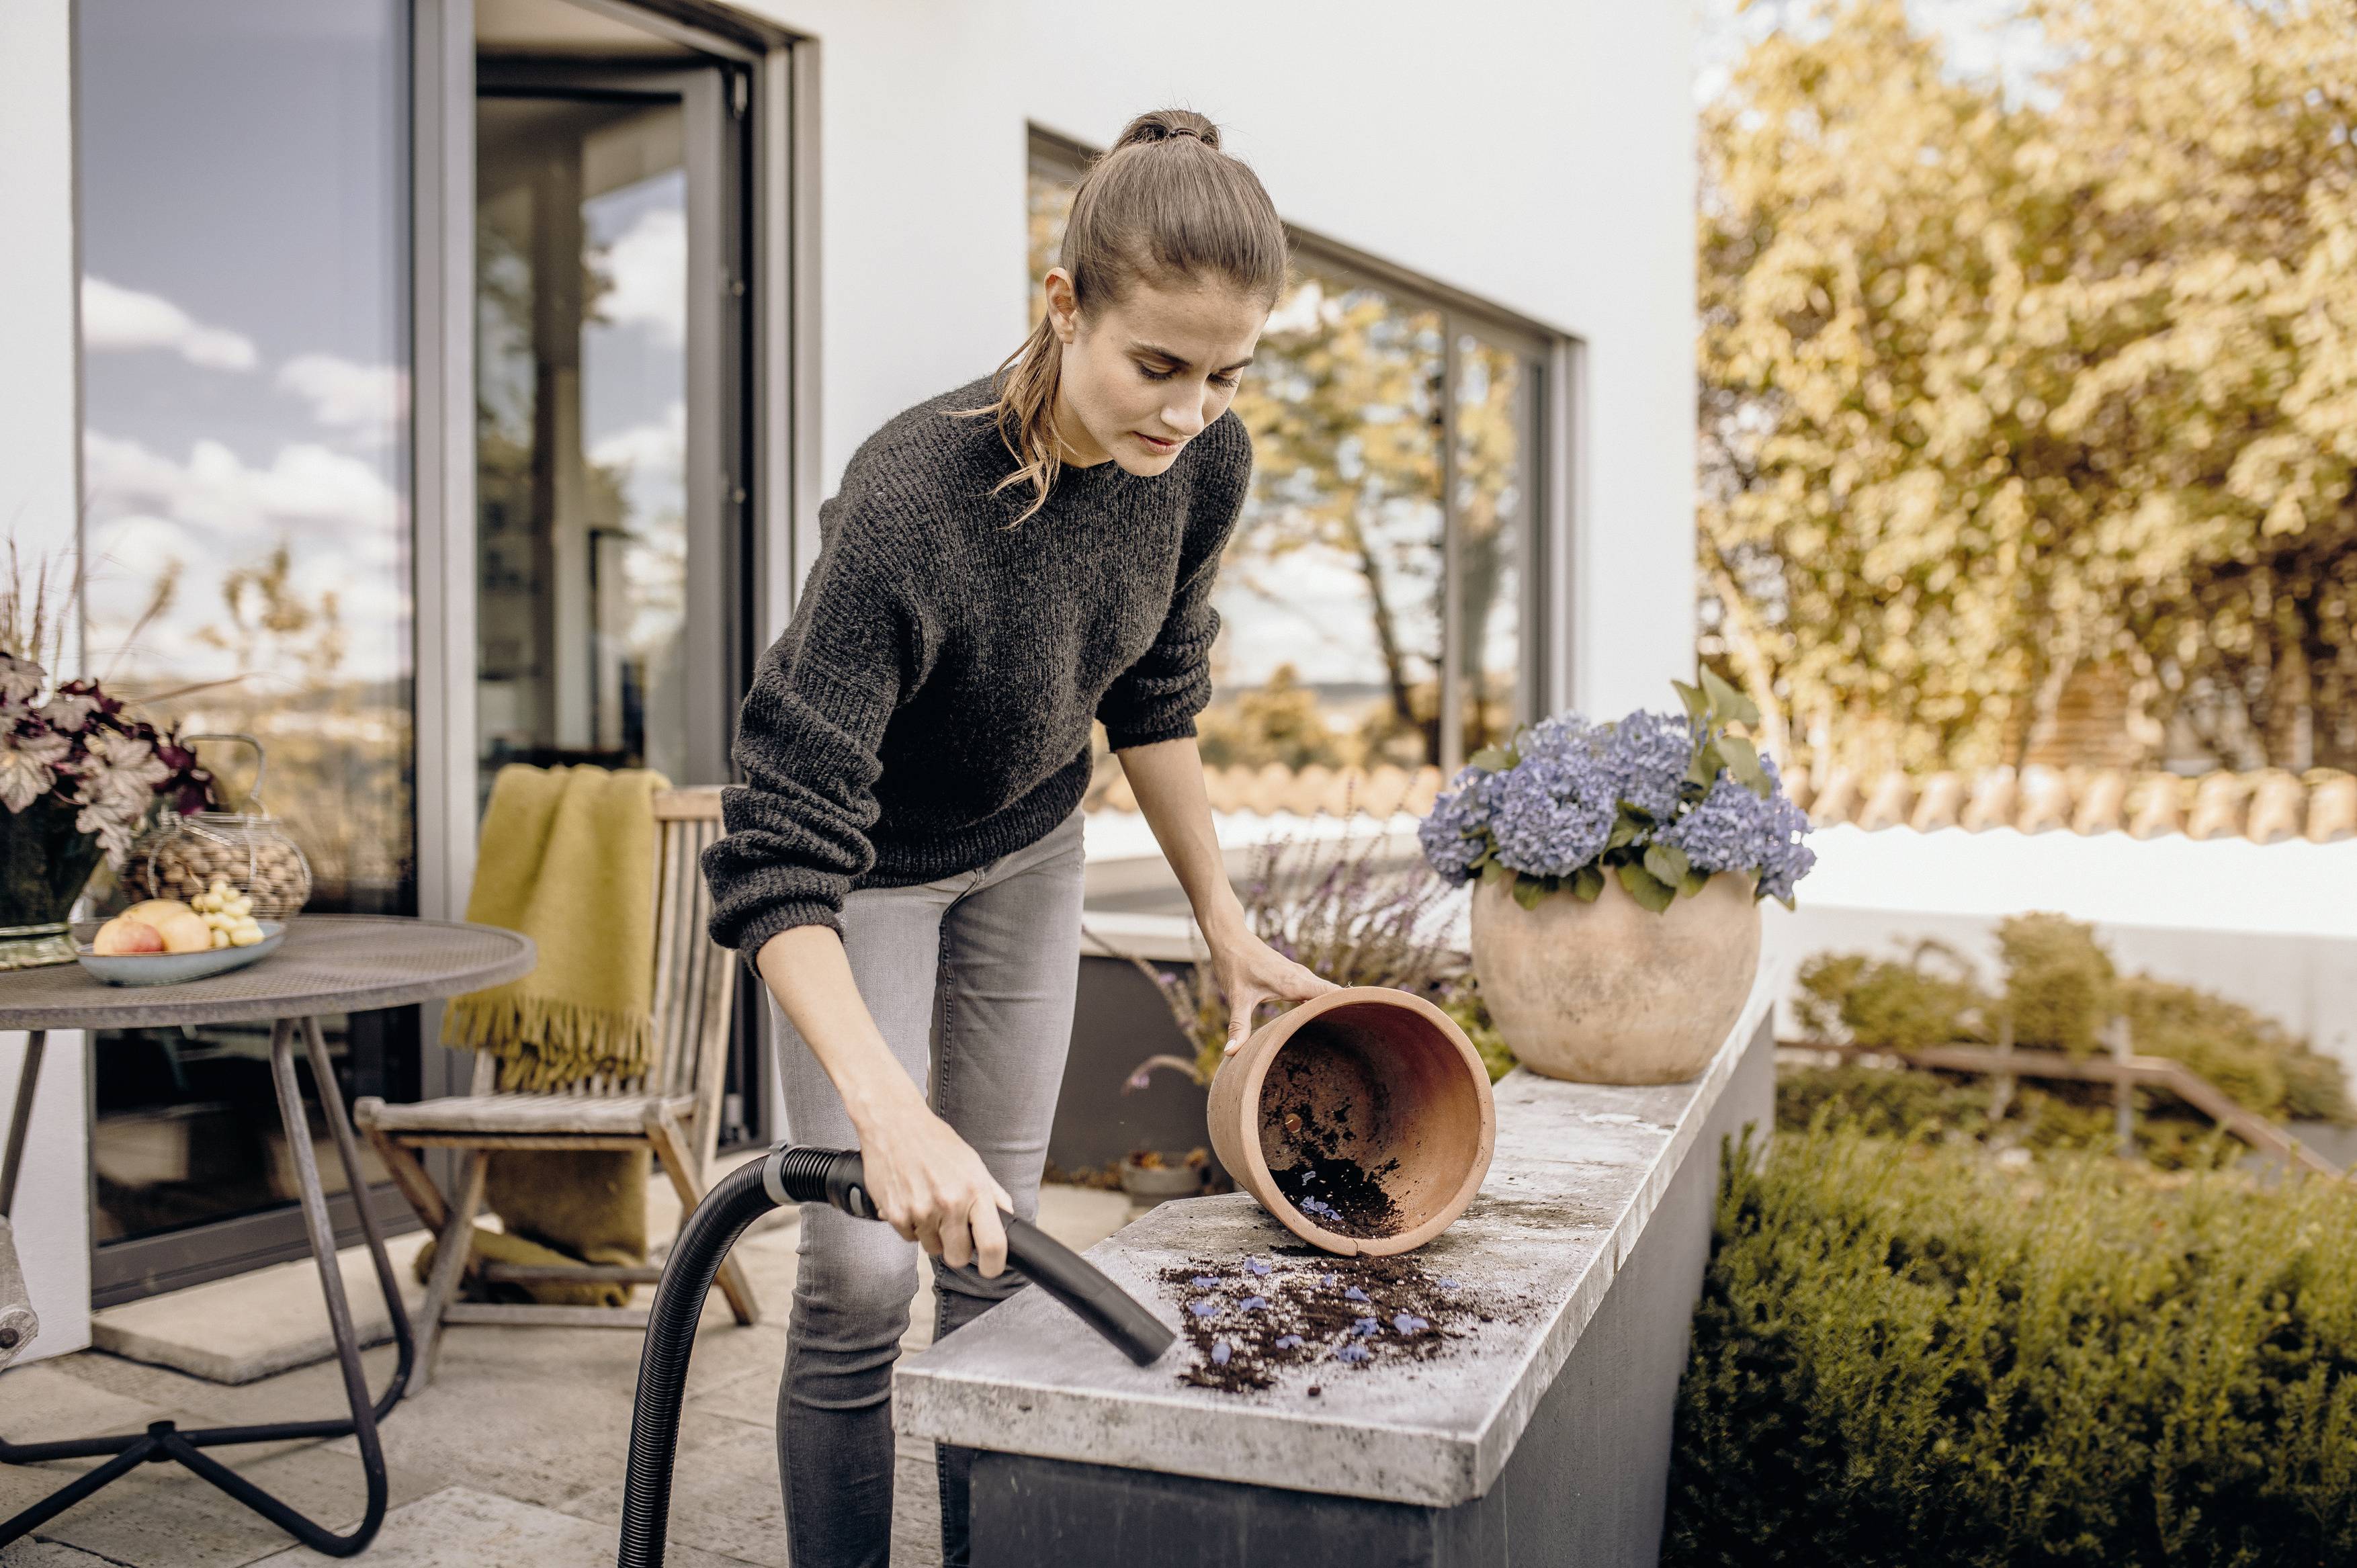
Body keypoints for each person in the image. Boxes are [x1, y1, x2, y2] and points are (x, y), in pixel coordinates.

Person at [701, 107, 1337, 1568]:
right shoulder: (908, 501)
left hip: (1031, 849)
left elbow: (1154, 695)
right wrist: (884, 1105)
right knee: (862, 1270)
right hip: (862, 879)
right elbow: (775, 850)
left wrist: (1223, 918)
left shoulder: (1199, 463)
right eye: (1157, 365)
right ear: (1061, 306)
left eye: (1227, 374)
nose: (1187, 410)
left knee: (1000, 1256)